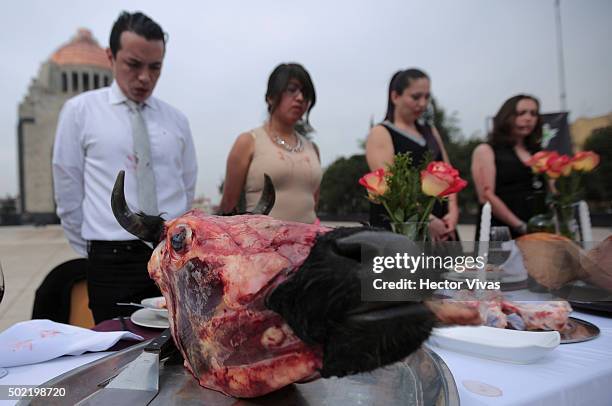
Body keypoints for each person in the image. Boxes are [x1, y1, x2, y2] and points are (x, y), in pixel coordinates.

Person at [52, 11, 198, 323]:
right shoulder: (80, 111)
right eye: (134, 64)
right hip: (111, 262)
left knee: (178, 350)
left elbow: (187, 185)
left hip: (173, 257)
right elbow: (68, 186)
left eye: (155, 67)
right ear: (110, 56)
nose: (145, 77)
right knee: (115, 354)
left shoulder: (176, 121)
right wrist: (97, 245)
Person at [219, 63, 322, 223]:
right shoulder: (248, 142)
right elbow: (228, 205)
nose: (300, 97)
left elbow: (313, 203)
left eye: (305, 92)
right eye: (291, 89)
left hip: (310, 244)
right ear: (271, 96)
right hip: (261, 244)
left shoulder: (312, 149)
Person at [365, 68, 460, 241]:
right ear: (395, 97)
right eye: (416, 97)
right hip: (400, 229)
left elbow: (449, 174)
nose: (423, 103)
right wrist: (426, 220)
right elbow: (390, 186)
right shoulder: (381, 132)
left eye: (426, 97)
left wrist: (453, 212)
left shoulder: (430, 131)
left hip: (442, 228)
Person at [471, 94, 544, 240]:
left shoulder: (538, 153)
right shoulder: (486, 150)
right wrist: (521, 226)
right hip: (502, 233)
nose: (529, 118)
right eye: (521, 113)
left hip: (538, 231)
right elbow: (486, 196)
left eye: (533, 113)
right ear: (506, 116)